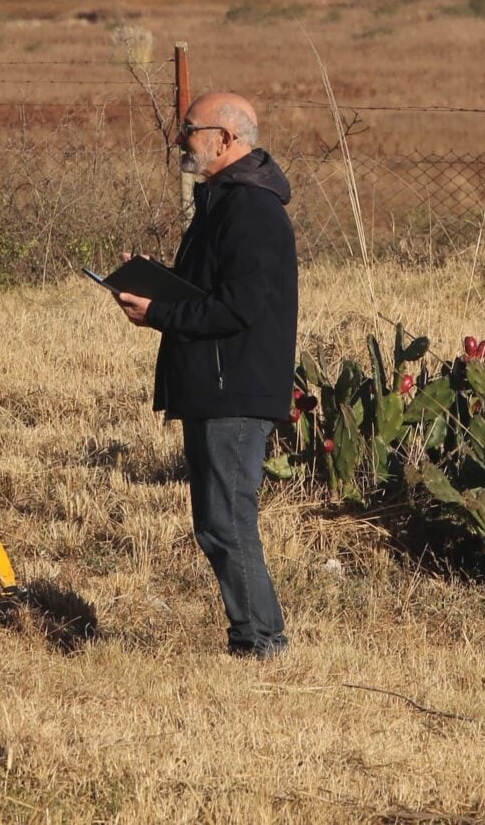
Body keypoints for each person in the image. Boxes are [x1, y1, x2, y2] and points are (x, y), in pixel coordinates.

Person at [111, 90, 298, 658]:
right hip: (217, 386)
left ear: (226, 139)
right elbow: (216, 292)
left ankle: (259, 642)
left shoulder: (251, 211)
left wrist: (161, 312)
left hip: (232, 390)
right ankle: (257, 637)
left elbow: (239, 307)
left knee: (226, 521)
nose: (180, 140)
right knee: (222, 519)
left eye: (190, 129)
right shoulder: (225, 202)